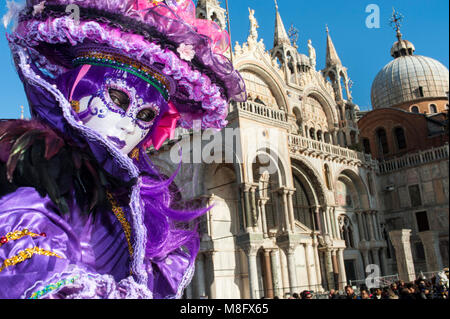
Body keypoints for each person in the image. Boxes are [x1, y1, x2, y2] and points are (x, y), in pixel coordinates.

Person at [0, 0, 246, 299]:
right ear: (74, 88)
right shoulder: (35, 173)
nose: (130, 126)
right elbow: (27, 266)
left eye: (145, 116)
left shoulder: (130, 195)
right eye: (118, 98)